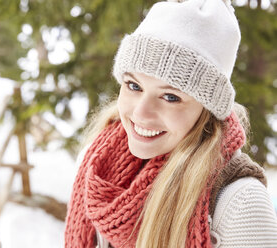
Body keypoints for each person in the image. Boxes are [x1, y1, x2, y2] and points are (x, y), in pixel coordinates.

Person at [64, 0, 277, 247]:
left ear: (207, 109)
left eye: (170, 97)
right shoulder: (97, 165)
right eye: (134, 86)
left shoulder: (241, 206)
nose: (142, 113)